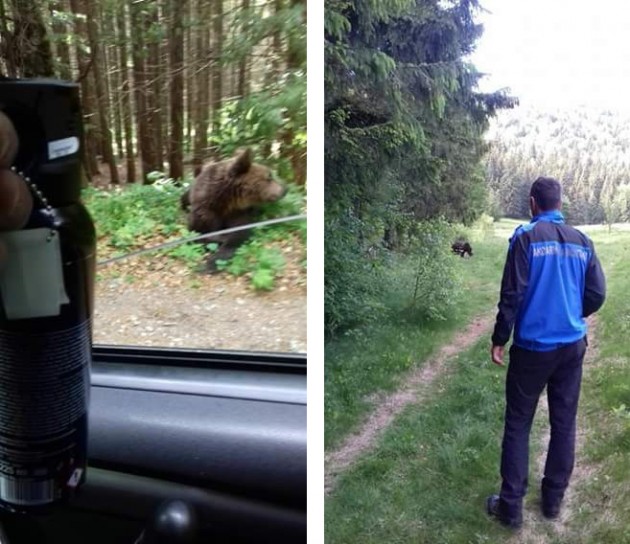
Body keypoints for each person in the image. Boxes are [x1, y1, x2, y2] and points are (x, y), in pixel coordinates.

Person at [486, 176, 607, 529]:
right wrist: (574, 312)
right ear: (559, 203)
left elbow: (512, 294)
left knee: (518, 423)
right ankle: (553, 502)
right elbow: (597, 294)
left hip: (532, 349)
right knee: (564, 422)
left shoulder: (525, 239)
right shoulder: (582, 241)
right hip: (571, 347)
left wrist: (499, 338)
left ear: (532, 203)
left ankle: (510, 508)